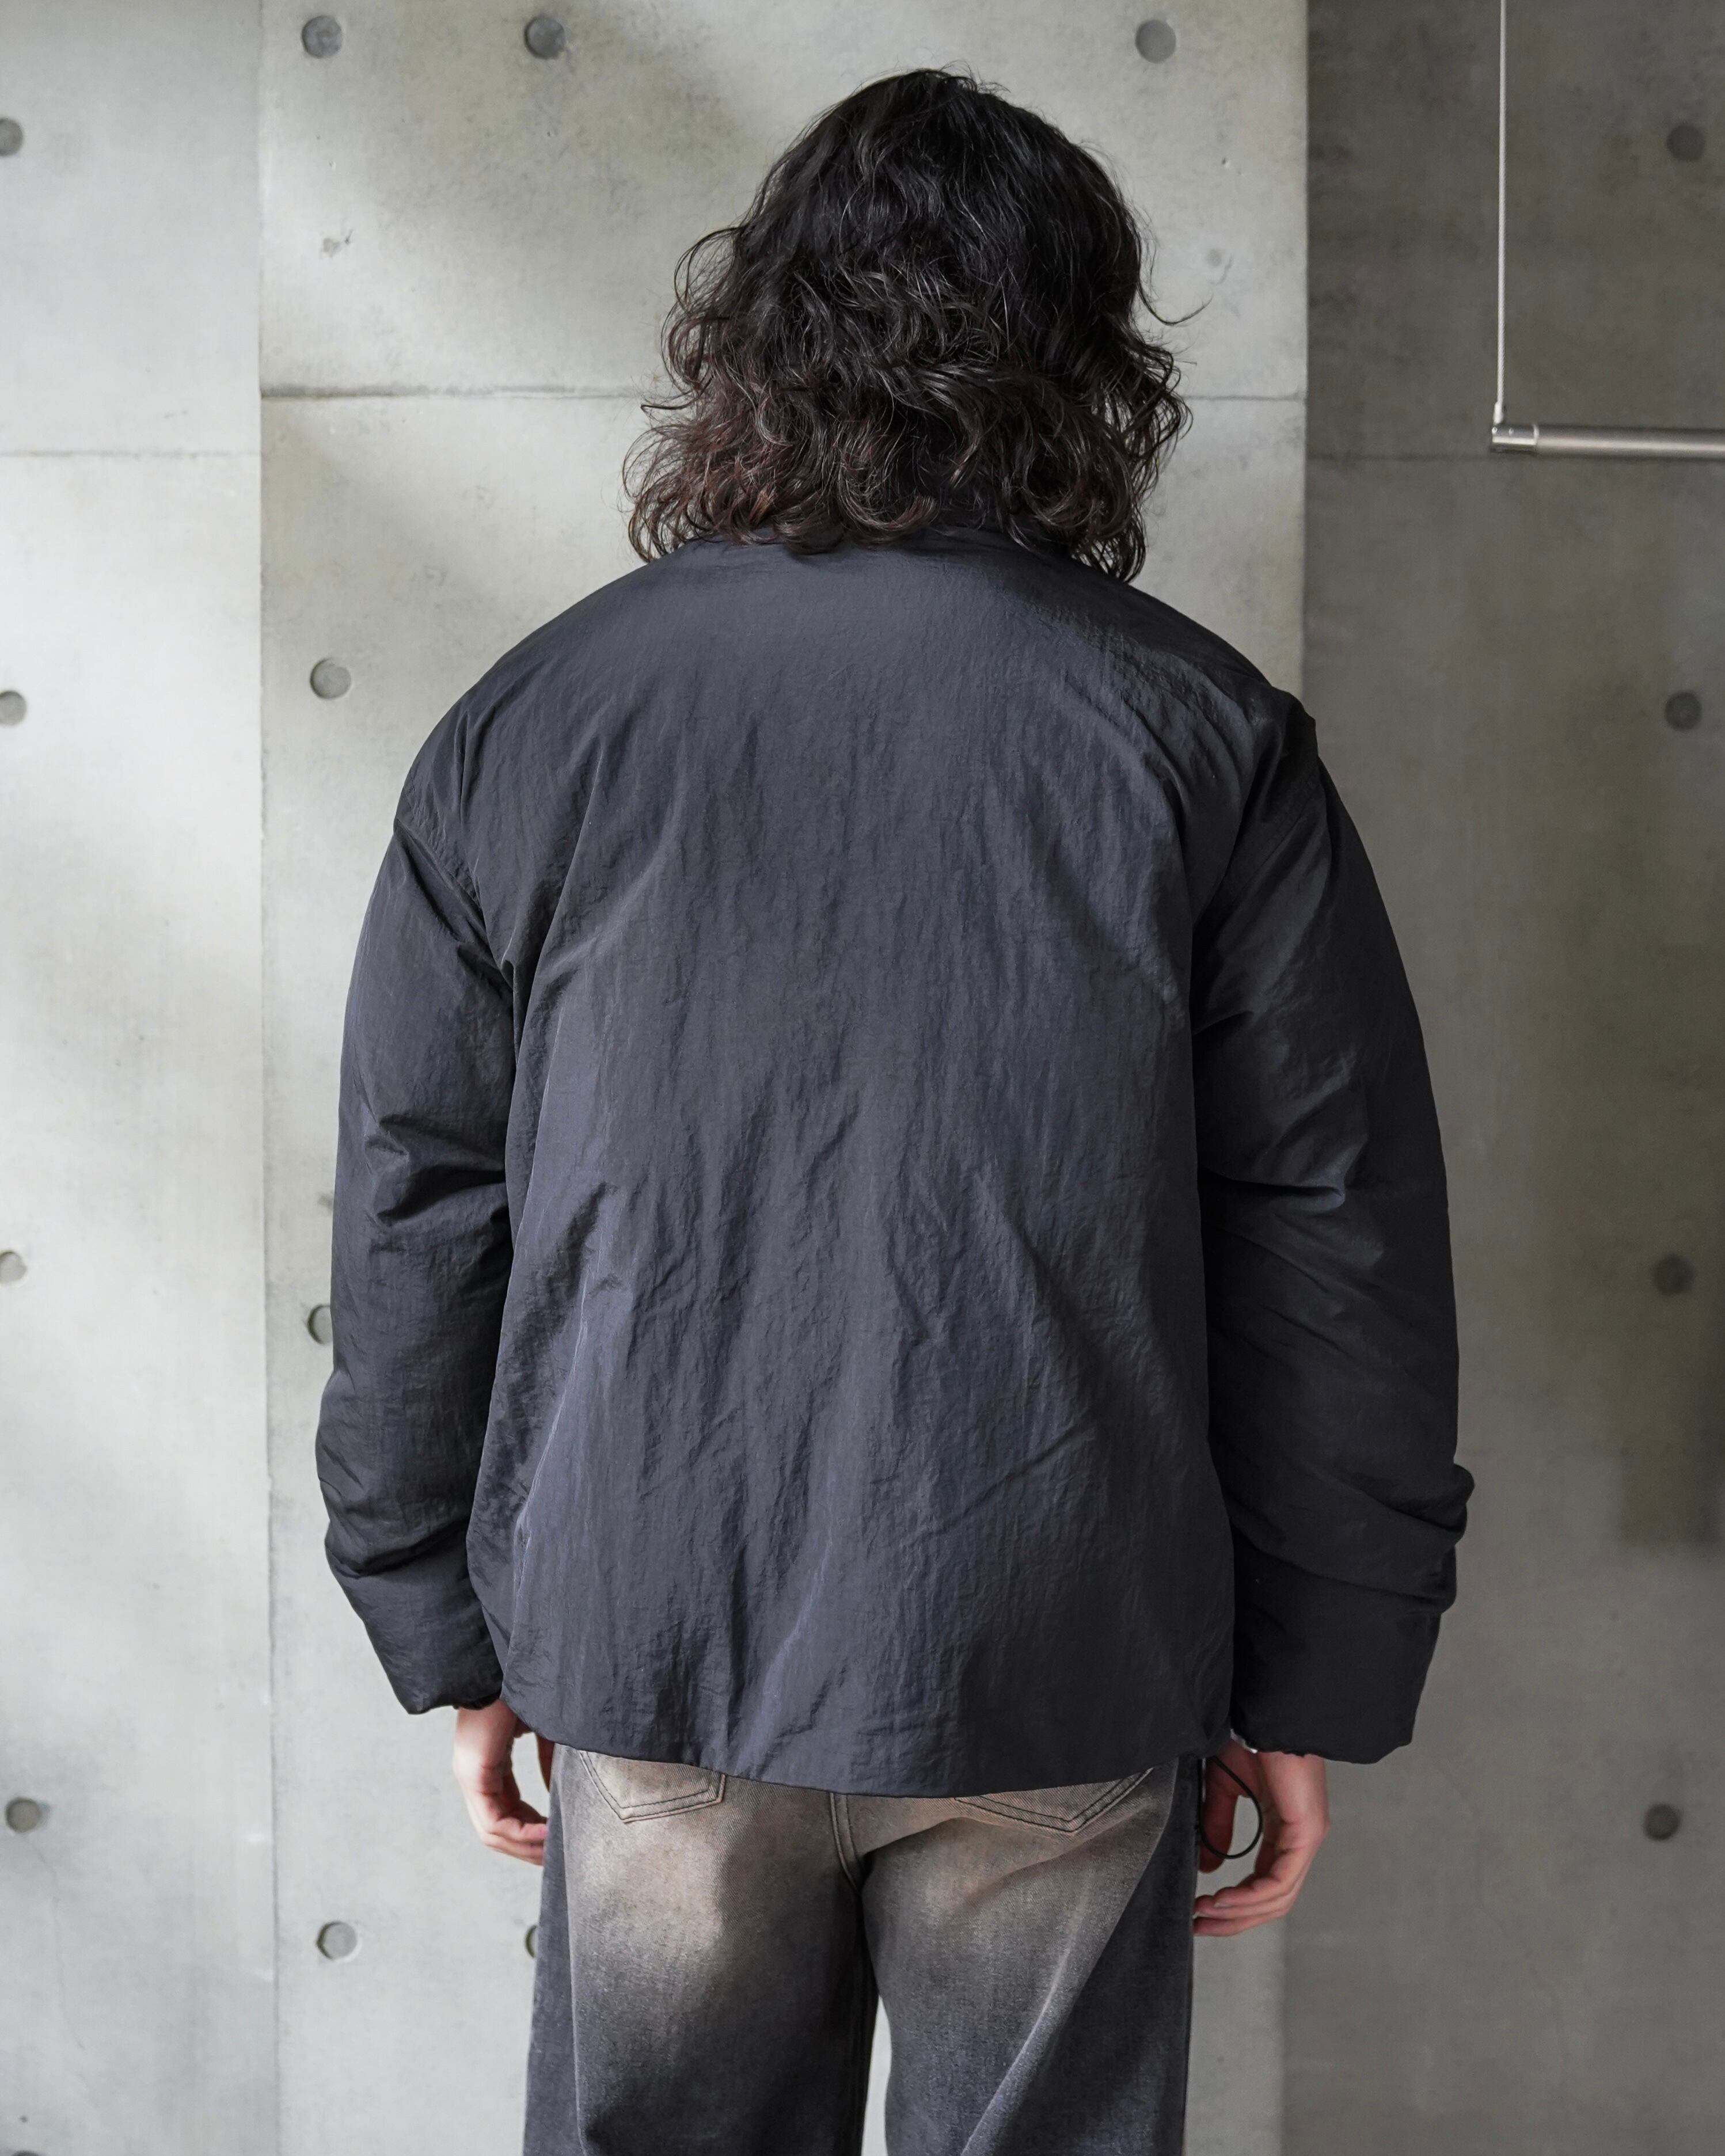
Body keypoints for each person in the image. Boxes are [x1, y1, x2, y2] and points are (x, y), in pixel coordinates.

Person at [316, 67, 1471, 2156]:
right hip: (1058, 1638)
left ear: (753, 338)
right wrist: (1315, 1673)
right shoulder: (1197, 732)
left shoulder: (535, 723)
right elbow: (1328, 1226)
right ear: (1078, 363)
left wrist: (446, 1627)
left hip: (657, 1629)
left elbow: (422, 1204)